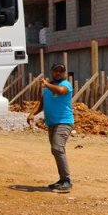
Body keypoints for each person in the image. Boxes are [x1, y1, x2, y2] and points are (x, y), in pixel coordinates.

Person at [27, 62, 74, 191]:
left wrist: (46, 84)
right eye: (56, 71)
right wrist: (32, 114)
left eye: (61, 71)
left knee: (57, 148)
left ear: (64, 73)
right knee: (55, 150)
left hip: (64, 122)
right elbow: (42, 103)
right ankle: (62, 179)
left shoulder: (66, 85)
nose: (58, 73)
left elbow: (60, 91)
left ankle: (67, 180)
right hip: (52, 123)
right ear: (52, 72)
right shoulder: (48, 88)